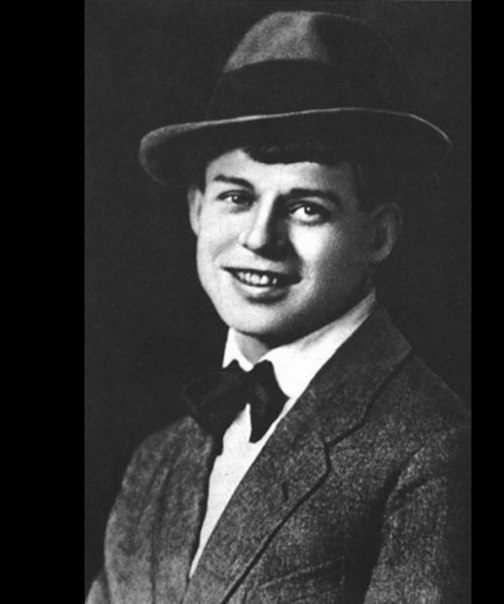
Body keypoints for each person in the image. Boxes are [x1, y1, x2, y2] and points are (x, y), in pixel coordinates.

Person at [87, 10, 470, 604]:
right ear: (196, 209)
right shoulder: (156, 461)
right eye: (236, 197)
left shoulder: (433, 450)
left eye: (307, 208)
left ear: (379, 235)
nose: (260, 238)